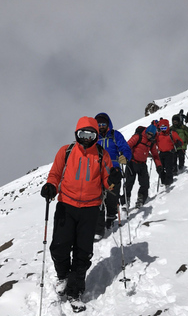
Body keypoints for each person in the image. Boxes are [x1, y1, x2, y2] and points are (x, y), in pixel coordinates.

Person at [40, 116, 122, 308]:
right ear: (76, 133)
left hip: (90, 208)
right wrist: (51, 186)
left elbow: (106, 182)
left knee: (82, 252)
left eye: (90, 134)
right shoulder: (66, 151)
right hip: (66, 206)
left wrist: (113, 179)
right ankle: (63, 276)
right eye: (82, 134)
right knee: (59, 247)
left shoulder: (102, 155)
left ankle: (75, 292)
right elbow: (55, 174)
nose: (86, 138)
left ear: (95, 135)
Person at [94, 112, 132, 240]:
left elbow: (125, 148)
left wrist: (125, 156)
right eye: (98, 124)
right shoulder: (94, 137)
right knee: (97, 198)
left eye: (103, 124)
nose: (101, 126)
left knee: (112, 197)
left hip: (113, 171)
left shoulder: (115, 135)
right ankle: (98, 229)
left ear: (108, 124)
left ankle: (110, 218)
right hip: (97, 171)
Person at [122, 124, 162, 208]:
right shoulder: (138, 137)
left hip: (142, 164)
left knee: (145, 183)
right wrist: (124, 156)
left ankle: (141, 199)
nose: (149, 135)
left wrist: (159, 165)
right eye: (148, 133)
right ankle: (125, 201)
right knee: (129, 183)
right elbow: (127, 146)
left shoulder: (151, 142)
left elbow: (155, 155)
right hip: (131, 163)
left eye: (151, 134)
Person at [156, 119, 183, 186]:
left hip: (170, 153)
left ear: (167, 126)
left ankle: (169, 181)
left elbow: (180, 140)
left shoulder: (172, 133)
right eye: (161, 128)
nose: (163, 129)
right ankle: (163, 180)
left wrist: (179, 143)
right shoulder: (158, 134)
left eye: (164, 127)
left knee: (168, 167)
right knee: (160, 168)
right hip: (161, 153)